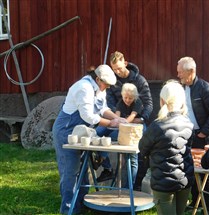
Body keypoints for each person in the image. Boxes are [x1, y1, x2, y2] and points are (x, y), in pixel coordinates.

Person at [52, 64, 124, 214]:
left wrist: (118, 118)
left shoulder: (99, 89)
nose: (108, 88)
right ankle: (68, 209)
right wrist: (111, 123)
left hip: (83, 132)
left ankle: (82, 204)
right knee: (70, 171)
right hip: (67, 130)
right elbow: (88, 116)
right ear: (98, 79)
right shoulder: (83, 88)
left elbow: (103, 109)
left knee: (84, 170)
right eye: (107, 85)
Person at [95, 51, 153, 188]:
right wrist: (118, 118)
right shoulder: (112, 81)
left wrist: (142, 119)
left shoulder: (140, 80)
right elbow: (109, 103)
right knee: (96, 133)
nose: (118, 72)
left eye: (120, 68)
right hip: (118, 118)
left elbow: (149, 103)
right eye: (114, 69)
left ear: (125, 63)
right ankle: (106, 167)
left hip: (136, 120)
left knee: (139, 151)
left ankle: (134, 185)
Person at [138, 80, 195, 215]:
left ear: (162, 100)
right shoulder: (189, 123)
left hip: (162, 181)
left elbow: (142, 148)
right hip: (184, 178)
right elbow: (187, 149)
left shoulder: (156, 126)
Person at [177, 56, 209, 214]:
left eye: (180, 72)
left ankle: (208, 207)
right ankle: (195, 202)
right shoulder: (183, 88)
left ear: (191, 71)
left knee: (205, 172)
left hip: (203, 137)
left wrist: (203, 133)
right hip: (189, 135)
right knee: (192, 170)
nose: (178, 75)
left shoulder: (205, 89)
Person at [95, 83, 144, 182]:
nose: (127, 100)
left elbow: (131, 117)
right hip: (122, 126)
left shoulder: (138, 102)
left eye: (130, 98)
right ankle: (102, 159)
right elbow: (116, 116)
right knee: (98, 132)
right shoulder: (121, 102)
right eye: (125, 97)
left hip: (135, 128)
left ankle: (131, 185)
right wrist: (117, 121)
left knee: (133, 158)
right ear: (122, 96)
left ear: (134, 97)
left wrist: (122, 121)